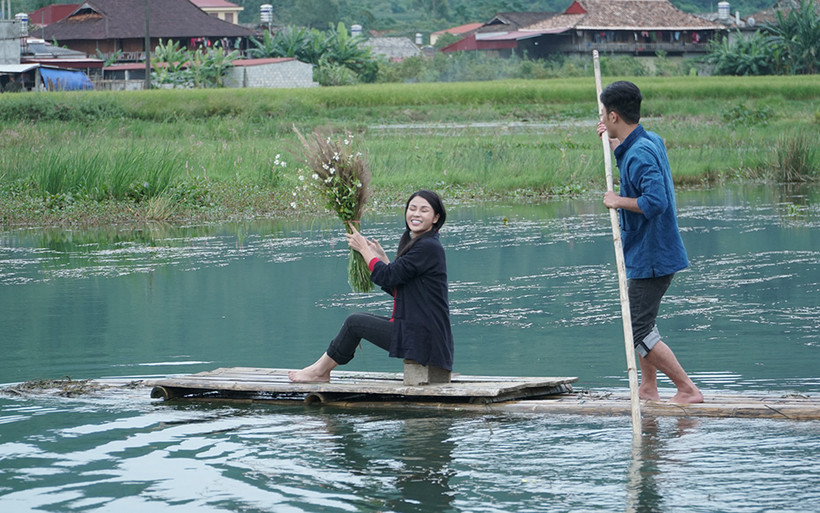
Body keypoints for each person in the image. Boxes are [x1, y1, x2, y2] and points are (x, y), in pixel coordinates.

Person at [597, 80, 703, 404]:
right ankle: (648, 388)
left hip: (652, 254)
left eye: (604, 114)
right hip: (649, 251)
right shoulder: (647, 140)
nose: (601, 119)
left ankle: (687, 389)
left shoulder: (641, 152)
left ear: (614, 115)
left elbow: (655, 201)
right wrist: (612, 142)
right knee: (644, 323)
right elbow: (633, 169)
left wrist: (617, 200)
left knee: (637, 330)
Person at [289, 189, 454, 383]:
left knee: (354, 322)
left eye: (424, 210)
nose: (416, 214)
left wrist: (364, 249)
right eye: (412, 208)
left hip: (422, 337)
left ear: (436, 217)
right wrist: (381, 258)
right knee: (358, 320)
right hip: (421, 335)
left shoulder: (427, 246)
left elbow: (387, 275)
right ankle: (319, 370)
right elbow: (400, 287)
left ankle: (319, 372)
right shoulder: (423, 243)